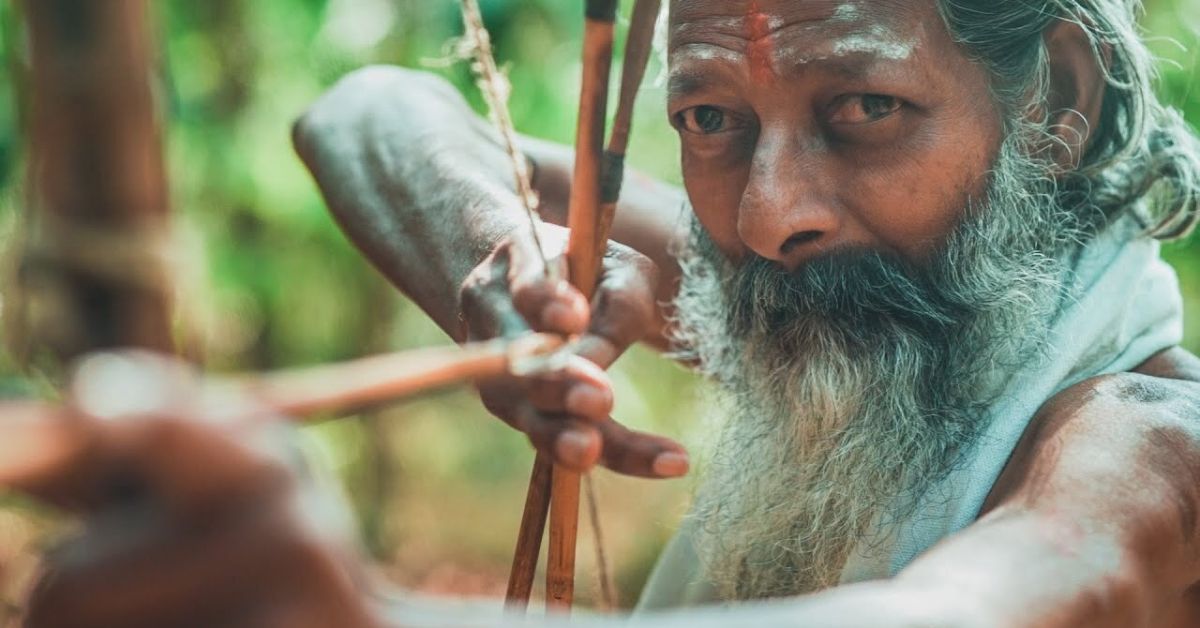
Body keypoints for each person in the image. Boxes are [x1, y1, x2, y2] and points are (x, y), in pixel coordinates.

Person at [14, 0, 1200, 626]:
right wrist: (499, 281)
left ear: (1058, 97)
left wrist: (362, 619)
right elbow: (370, 115)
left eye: (866, 107)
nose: (771, 215)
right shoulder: (826, 290)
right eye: (710, 119)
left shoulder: (1147, 443)